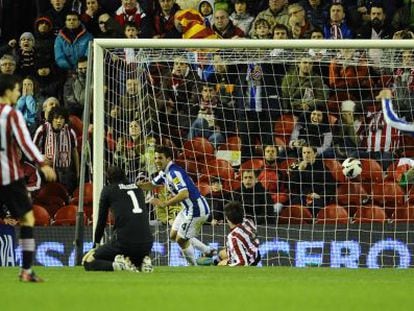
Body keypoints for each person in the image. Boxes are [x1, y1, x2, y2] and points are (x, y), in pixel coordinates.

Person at [0, 74, 56, 282]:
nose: (18, 93)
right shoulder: (11, 114)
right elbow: (25, 142)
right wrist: (42, 163)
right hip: (9, 176)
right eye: (16, 89)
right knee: (27, 219)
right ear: (7, 91)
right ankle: (26, 271)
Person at [137, 145, 214, 266]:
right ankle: (208, 251)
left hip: (196, 209)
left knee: (181, 240)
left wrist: (164, 203)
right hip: (188, 208)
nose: (157, 161)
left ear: (168, 159)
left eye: (160, 158)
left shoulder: (174, 173)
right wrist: (136, 186)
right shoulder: (164, 173)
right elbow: (152, 184)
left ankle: (193, 266)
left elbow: (184, 193)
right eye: (156, 158)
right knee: (173, 235)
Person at [82, 166, 153, 272]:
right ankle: (143, 261)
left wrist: (96, 244)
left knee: (88, 261)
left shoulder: (108, 190)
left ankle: (119, 266)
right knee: (130, 253)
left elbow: (102, 220)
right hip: (147, 244)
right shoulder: (138, 189)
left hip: (124, 242)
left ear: (108, 179)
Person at [198, 201, 260, 266]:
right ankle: (213, 262)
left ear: (227, 218)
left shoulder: (234, 237)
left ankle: (213, 266)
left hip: (249, 261)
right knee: (221, 253)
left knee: (220, 265)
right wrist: (220, 222)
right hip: (255, 253)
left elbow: (243, 263)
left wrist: (227, 265)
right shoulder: (248, 221)